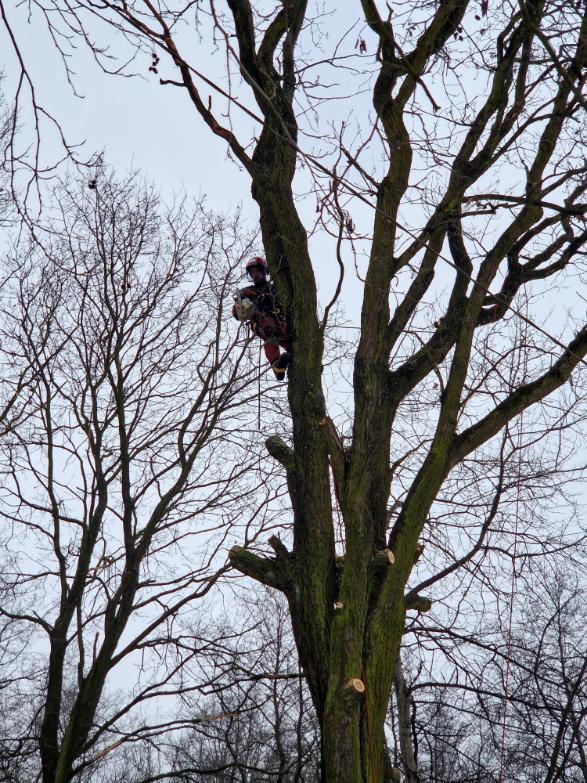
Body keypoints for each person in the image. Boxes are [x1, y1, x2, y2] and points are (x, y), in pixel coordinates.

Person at [233, 257, 292, 381]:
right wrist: (243, 301)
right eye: (252, 272)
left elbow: (283, 296)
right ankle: (277, 367)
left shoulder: (275, 288)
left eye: (257, 271)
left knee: (292, 341)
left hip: (279, 321)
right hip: (261, 322)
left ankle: (308, 363)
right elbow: (237, 313)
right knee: (269, 330)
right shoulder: (248, 291)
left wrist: (266, 296)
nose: (255, 274)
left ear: (264, 272)